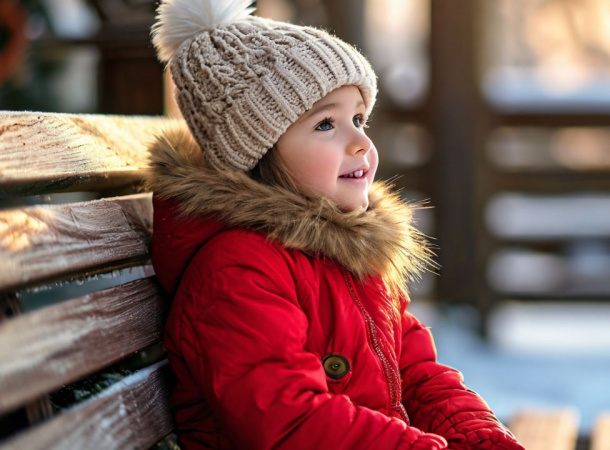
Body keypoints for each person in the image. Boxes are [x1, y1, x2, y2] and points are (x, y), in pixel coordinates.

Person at [145, 0, 525, 449]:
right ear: (256, 152)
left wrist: (481, 439)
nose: (362, 143)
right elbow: (292, 422)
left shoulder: (349, 254)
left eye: (359, 119)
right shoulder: (237, 271)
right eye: (326, 124)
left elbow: (417, 374)